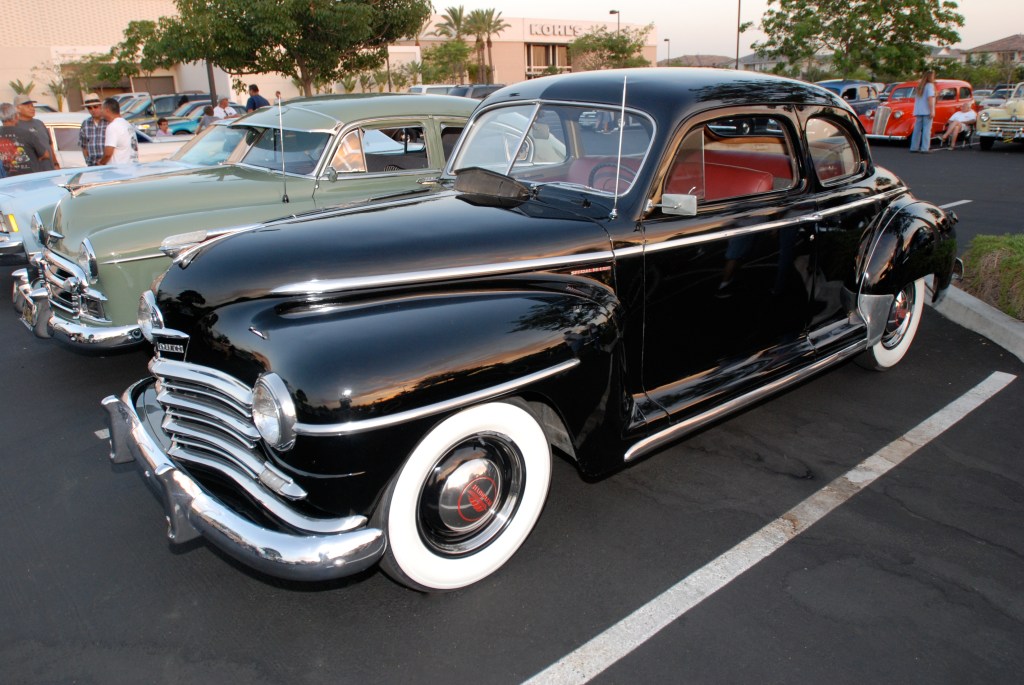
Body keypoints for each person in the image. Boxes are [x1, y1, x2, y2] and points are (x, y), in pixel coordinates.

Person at [14, 93, 58, 170]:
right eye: (28, 107)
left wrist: (55, 163)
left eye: (32, 106)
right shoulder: (16, 126)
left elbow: (50, 145)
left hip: (49, 168)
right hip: (32, 171)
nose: (32, 109)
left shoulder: (39, 123)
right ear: (18, 108)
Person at [0, 101, 45, 176]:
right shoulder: (27, 134)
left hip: (5, 181)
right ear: (15, 116)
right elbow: (44, 154)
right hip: (27, 178)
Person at [97, 97, 138, 165]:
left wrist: (101, 163)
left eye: (102, 109)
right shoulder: (127, 124)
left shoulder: (113, 127)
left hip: (118, 171)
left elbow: (108, 154)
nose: (100, 111)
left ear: (107, 110)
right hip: (131, 168)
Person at [910, 70, 936, 153]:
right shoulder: (930, 86)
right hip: (926, 110)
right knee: (926, 130)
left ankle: (914, 147)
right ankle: (925, 148)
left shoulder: (920, 86)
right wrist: (932, 110)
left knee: (917, 129)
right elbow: (930, 98)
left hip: (918, 110)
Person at [78, 92, 107, 166]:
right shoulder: (85, 124)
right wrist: (87, 160)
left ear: (101, 106)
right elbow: (84, 145)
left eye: (95, 107)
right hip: (93, 165)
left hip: (108, 164)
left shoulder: (108, 122)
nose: (93, 110)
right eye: (89, 108)